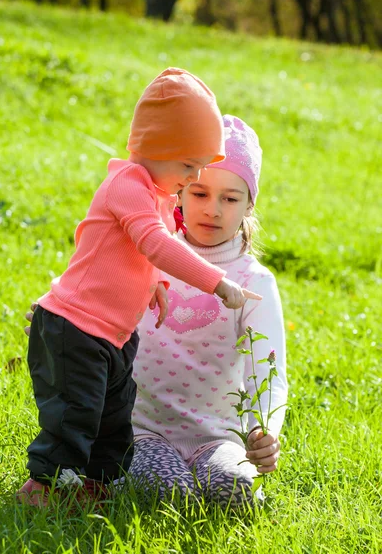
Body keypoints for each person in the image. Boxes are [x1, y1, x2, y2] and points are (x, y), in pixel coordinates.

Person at [17, 70, 262, 507]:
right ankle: (44, 488)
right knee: (76, 415)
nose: (193, 177)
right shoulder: (127, 185)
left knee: (113, 418)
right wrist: (216, 281)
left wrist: (158, 284)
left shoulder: (160, 197)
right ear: (156, 149)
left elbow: (147, 257)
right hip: (75, 327)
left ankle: (94, 485)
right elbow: (154, 242)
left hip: (114, 334)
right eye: (189, 165)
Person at [128, 114, 287, 507]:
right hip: (144, 430)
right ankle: (117, 473)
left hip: (217, 439)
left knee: (236, 494)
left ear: (249, 203)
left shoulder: (254, 282)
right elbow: (98, 307)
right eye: (199, 193)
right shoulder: (150, 255)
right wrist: (58, 321)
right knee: (170, 494)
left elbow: (268, 370)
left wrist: (264, 430)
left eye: (230, 198)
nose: (213, 209)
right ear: (179, 192)